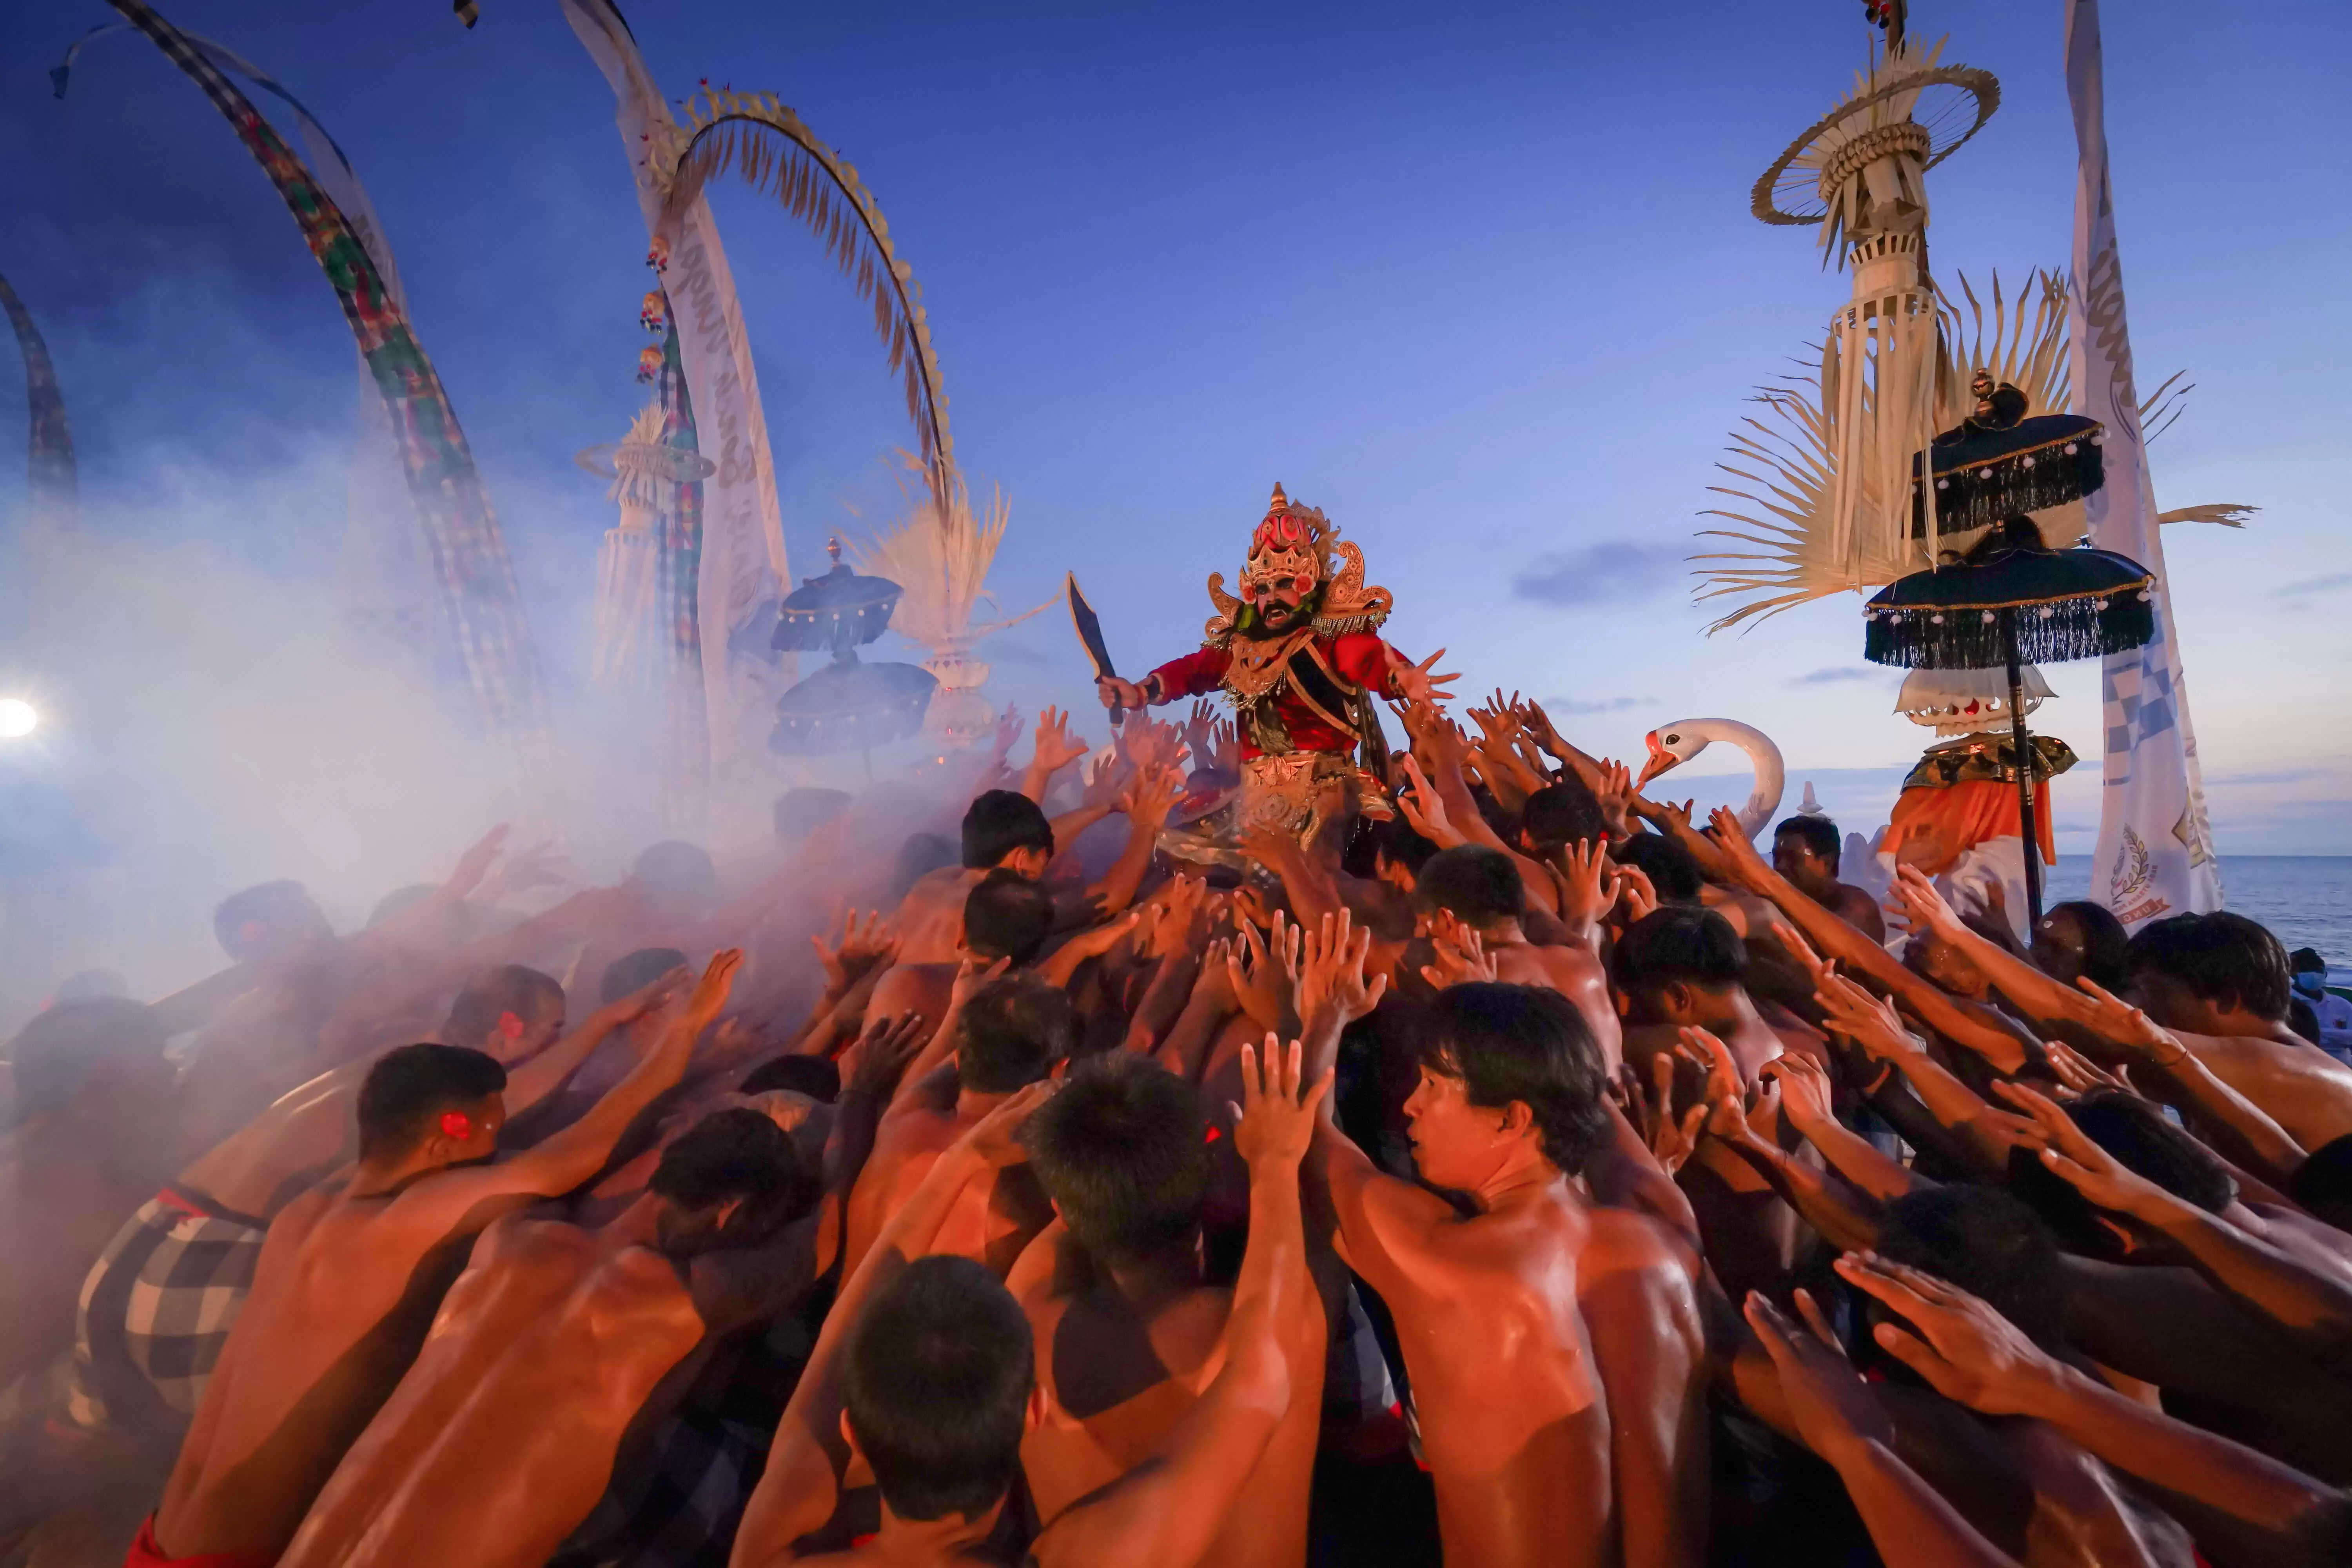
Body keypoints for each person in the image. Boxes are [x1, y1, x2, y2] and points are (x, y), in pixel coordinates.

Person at [132, 951, 743, 1568]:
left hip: (162, 1539)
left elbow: (504, 1097)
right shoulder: (398, 1227)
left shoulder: (315, 1210)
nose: (495, 1150)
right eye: (488, 1136)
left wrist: (602, 1023)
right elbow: (572, 1158)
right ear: (446, 1130)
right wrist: (685, 1032)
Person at [729, 1036, 1321, 1567]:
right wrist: (1272, 1162)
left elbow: (841, 1331)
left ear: (853, 1432)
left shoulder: (764, 1553)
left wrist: (959, 1164)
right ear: (1029, 1412)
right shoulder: (1082, 1551)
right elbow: (1260, 1378)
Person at [275, 1107, 824, 1568]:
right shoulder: (679, 1299)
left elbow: (586, 1155)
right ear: (731, 1213)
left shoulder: (511, 1239)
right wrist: (865, 1097)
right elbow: (816, 1247)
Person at [1296, 979, 1612, 1568]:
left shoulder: (1451, 1263)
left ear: (1511, 1120)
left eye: (1435, 1085)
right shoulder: (1639, 1241)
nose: (1410, 1104)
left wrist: (1322, 1019)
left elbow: (1311, 1149)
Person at [1010, 1054, 1327, 1568]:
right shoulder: (1278, 1326)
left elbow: (1074, 1211)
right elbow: (1292, 1221)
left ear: (1063, 1211)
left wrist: (1095, 1173)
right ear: (1201, 1182)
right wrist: (1271, 1161)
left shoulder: (1025, 1321)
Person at [1092, 483, 1450, 848]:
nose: (1272, 598)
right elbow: (1194, 670)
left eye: (1284, 584)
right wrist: (1140, 691)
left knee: (1322, 858)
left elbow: (1369, 656)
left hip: (1325, 791)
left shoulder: (1326, 640)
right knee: (1174, 846)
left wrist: (1400, 675)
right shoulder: (1240, 648)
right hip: (1252, 798)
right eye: (1262, 589)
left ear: (1308, 584)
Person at [839, 975, 1072, 1279]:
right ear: (1059, 1069)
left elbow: (964, 1055)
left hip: (840, 1315)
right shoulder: (1027, 1181)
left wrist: (973, 1012)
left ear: (961, 1060)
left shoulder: (904, 1118)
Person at [1770, 814, 1884, 942]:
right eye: (1777, 857)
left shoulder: (1857, 907)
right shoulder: (1780, 902)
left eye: (1793, 858)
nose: (1781, 866)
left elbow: (1826, 943)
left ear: (1828, 863)